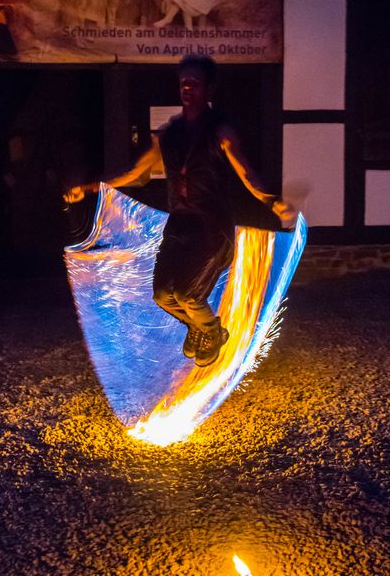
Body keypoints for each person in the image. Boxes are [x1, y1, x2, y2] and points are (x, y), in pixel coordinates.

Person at [64, 55, 296, 368]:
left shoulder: (221, 131)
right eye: (183, 82)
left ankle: (212, 331)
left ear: (209, 89)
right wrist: (92, 188)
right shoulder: (168, 134)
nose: (187, 87)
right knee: (163, 296)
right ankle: (201, 328)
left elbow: (245, 172)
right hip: (179, 225)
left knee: (188, 295)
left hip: (212, 227)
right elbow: (136, 172)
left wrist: (271, 201)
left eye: (195, 83)